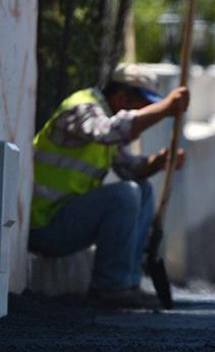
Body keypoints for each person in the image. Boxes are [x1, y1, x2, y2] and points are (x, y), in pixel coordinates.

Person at [29, 64, 189, 309]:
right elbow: (107, 132)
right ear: (121, 98)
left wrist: (158, 162)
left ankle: (128, 283)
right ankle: (110, 287)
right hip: (43, 224)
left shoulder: (108, 120)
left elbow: (129, 169)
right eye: (142, 108)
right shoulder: (81, 108)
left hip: (66, 219)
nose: (146, 118)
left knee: (142, 189)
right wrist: (165, 108)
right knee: (125, 195)